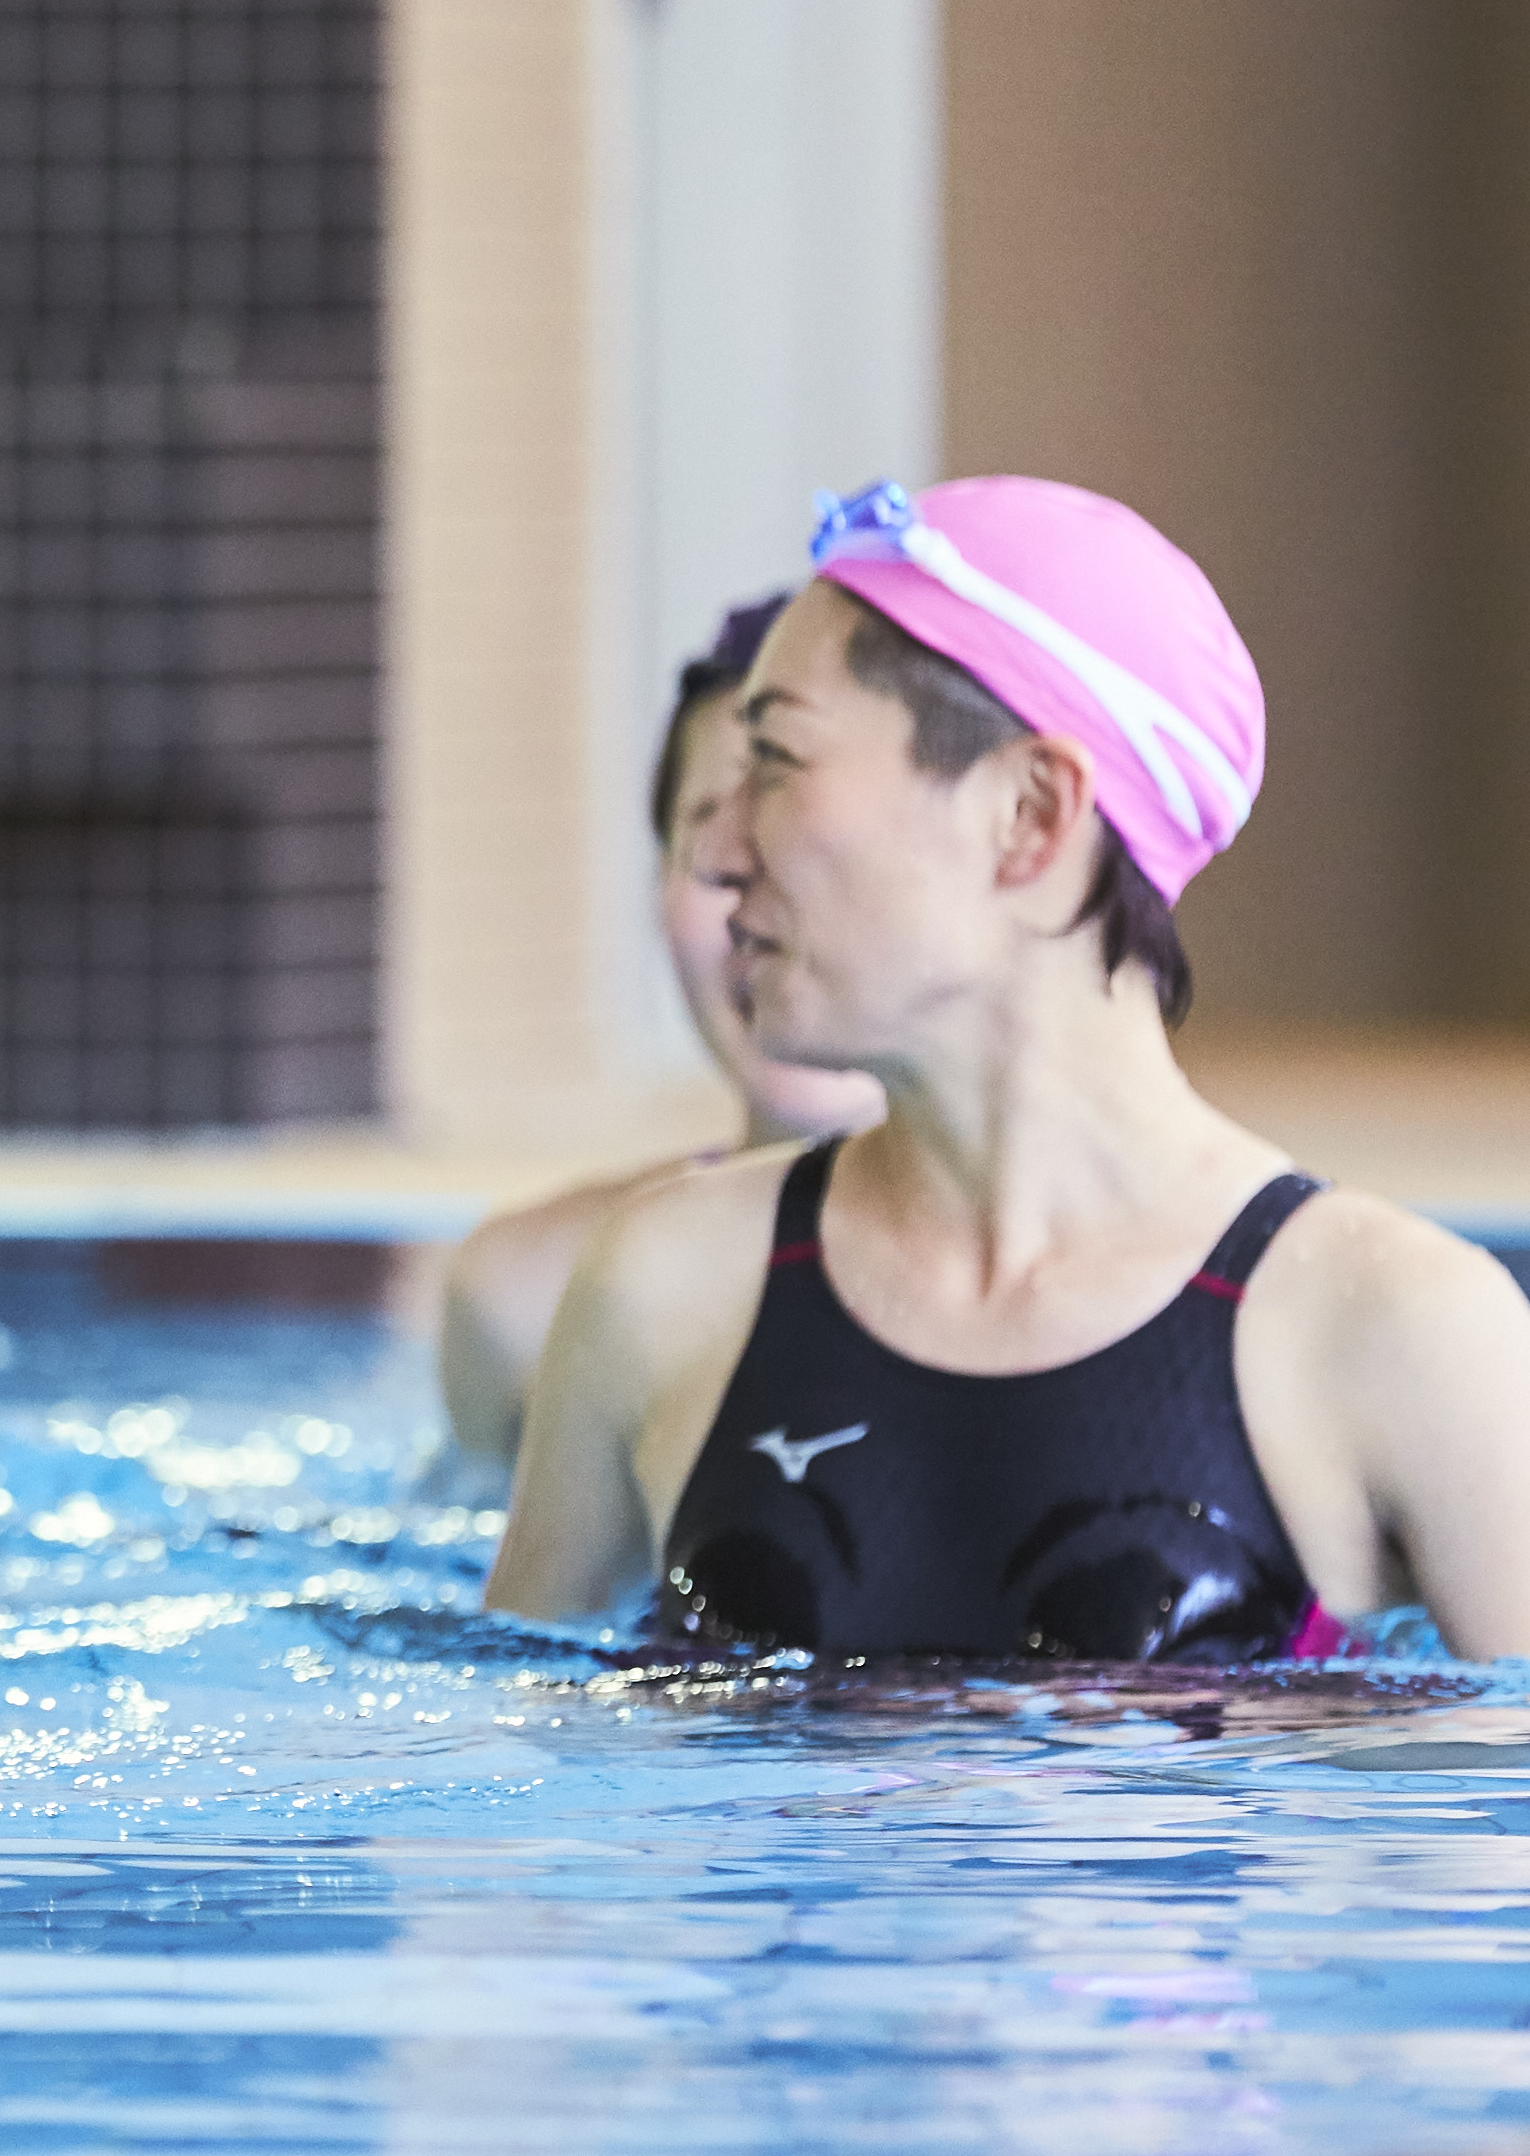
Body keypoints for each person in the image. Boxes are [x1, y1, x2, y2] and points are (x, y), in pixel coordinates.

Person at [487, 476, 1530, 1661]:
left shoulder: (1397, 1332)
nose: (718, 854)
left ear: (1030, 814)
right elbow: (508, 1745)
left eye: (775, 759)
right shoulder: (663, 1288)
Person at [432, 595, 887, 1474]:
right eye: (715, 845)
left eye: (810, 843)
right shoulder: (529, 1297)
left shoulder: (1095, 1300)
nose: (762, 905)